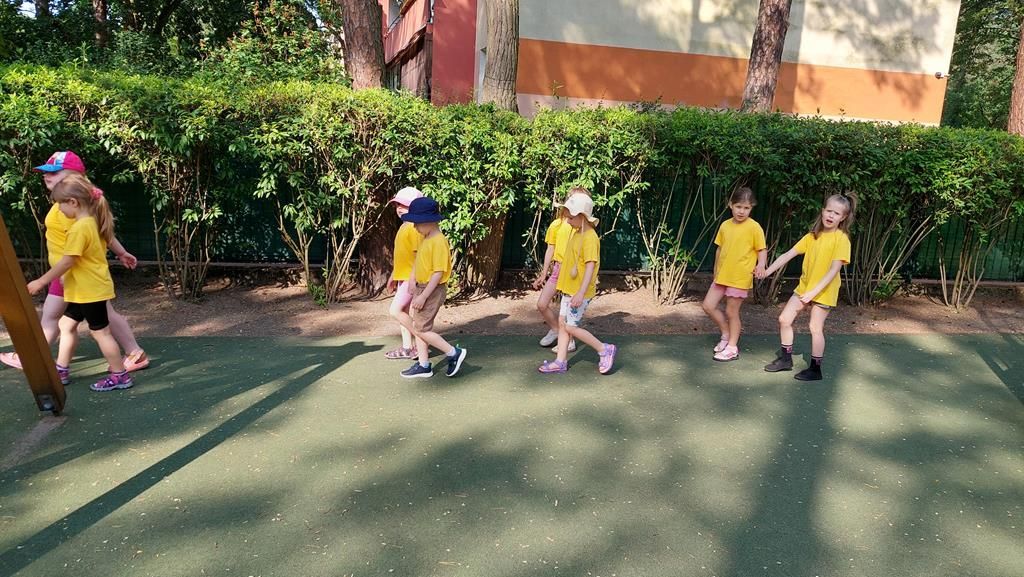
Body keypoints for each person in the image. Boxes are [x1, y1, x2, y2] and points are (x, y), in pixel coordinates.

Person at [0, 151, 149, 372]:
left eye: (54, 172)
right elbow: (102, 232)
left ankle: (32, 357)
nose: (46, 176)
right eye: (45, 172)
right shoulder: (72, 205)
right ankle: (134, 353)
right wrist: (121, 252)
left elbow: (90, 238)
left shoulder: (71, 210)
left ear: (76, 176)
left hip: (70, 273)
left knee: (52, 317)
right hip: (74, 274)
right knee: (99, 314)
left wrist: (43, 280)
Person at [26, 174, 134, 391]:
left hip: (88, 290)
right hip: (81, 289)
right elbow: (107, 239)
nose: (59, 209)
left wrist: (41, 281)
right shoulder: (91, 222)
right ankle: (61, 369)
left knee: (101, 333)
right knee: (66, 324)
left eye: (60, 204)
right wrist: (122, 253)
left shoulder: (79, 228)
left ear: (73, 202)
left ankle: (120, 375)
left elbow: (68, 261)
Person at [756, 192, 856, 381]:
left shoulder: (842, 239)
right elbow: (788, 255)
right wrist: (767, 272)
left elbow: (834, 271)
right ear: (822, 210)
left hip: (824, 291)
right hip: (804, 287)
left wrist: (814, 292)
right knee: (784, 319)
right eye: (828, 210)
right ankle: (786, 360)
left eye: (836, 213)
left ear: (843, 218)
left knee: (815, 327)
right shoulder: (812, 237)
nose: (831, 215)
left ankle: (815, 370)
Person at [537, 191, 617, 375]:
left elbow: (590, 267)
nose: (567, 220)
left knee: (570, 326)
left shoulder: (590, 238)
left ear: (582, 217)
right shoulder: (576, 233)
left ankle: (604, 349)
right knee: (563, 323)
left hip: (578, 292)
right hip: (569, 289)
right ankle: (560, 361)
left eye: (571, 217)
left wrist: (580, 292)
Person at [393, 197, 467, 378]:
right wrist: (412, 280)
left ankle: (453, 352)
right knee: (419, 326)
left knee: (421, 329)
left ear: (429, 221)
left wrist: (423, 296)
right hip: (422, 287)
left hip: (431, 290)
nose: (415, 227)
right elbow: (419, 261)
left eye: (417, 223)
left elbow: (438, 273)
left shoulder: (438, 241)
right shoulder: (426, 238)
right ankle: (424, 364)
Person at [702, 186, 767, 361]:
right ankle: (726, 333)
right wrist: (716, 270)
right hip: (722, 276)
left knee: (732, 312)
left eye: (746, 208)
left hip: (740, 277)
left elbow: (762, 249)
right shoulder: (725, 225)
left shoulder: (754, 227)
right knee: (708, 306)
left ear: (751, 208)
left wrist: (761, 265)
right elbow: (719, 249)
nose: (741, 211)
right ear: (731, 204)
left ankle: (732, 347)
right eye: (738, 206)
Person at [532, 187, 591, 354]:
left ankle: (568, 341)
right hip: (558, 269)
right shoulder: (556, 225)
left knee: (567, 311)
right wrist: (544, 273)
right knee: (542, 304)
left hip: (572, 272)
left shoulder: (582, 228)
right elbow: (550, 249)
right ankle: (556, 330)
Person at [384, 186, 424, 360]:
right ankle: (408, 348)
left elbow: (419, 256)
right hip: (403, 277)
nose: (399, 208)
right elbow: (403, 257)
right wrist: (394, 276)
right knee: (403, 313)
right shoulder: (404, 227)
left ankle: (423, 338)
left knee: (395, 310)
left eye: (404, 205)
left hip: (411, 279)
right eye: (397, 205)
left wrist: (413, 280)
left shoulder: (414, 228)